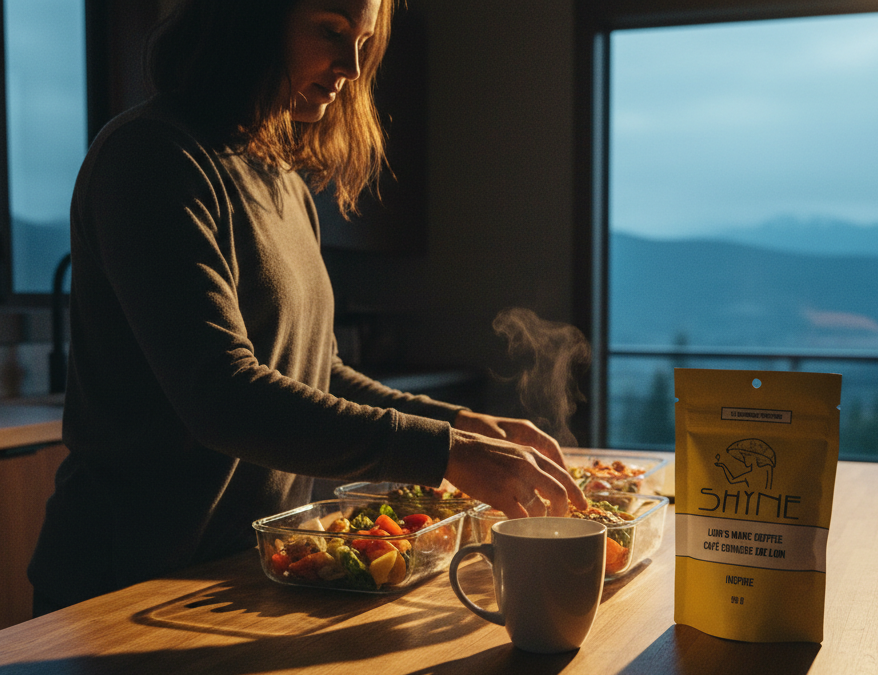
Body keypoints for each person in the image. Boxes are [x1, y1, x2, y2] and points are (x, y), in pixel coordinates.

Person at [28, 0, 585, 614]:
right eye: (330, 30)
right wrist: (444, 452)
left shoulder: (283, 181)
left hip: (233, 576)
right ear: (249, 19)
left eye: (363, 41)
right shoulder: (155, 157)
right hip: (121, 583)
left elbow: (317, 372)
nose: (351, 66)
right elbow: (222, 394)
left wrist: (460, 425)